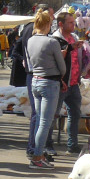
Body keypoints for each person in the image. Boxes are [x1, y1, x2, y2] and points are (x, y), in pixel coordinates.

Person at [26, 9, 66, 169]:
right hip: (49, 82)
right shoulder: (51, 42)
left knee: (39, 120)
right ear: (48, 24)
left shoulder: (30, 40)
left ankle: (36, 152)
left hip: (35, 80)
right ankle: (37, 156)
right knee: (45, 122)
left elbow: (30, 62)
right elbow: (62, 68)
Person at [56, 10, 90, 155]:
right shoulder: (56, 39)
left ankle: (72, 144)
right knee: (53, 115)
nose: (73, 25)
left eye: (73, 22)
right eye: (70, 23)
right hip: (61, 84)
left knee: (75, 114)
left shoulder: (74, 37)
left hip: (74, 83)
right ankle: (47, 146)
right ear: (60, 24)